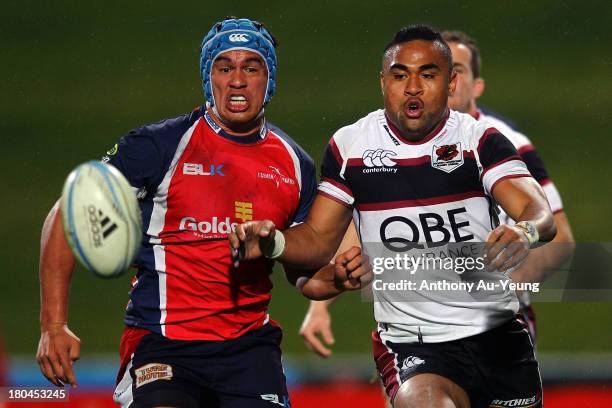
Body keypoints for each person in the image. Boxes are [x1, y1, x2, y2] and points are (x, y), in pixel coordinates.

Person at [230, 24, 556, 408]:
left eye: (428, 75)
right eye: (400, 75)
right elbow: (318, 241)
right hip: (412, 342)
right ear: (383, 82)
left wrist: (523, 232)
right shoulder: (352, 147)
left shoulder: (478, 141)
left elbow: (539, 213)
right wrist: (274, 242)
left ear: (451, 83)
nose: (413, 87)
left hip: (497, 336)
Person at [37, 17, 322, 408]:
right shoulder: (159, 146)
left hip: (249, 350)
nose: (237, 80)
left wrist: (332, 277)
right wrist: (53, 325)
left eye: (251, 67)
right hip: (163, 345)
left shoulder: (295, 165)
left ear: (268, 80)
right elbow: (67, 212)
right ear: (209, 79)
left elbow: (303, 269)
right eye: (224, 68)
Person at [299, 30, 575, 356]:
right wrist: (322, 305)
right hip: (412, 327)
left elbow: (559, 238)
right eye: (408, 73)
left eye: (435, 72)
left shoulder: (503, 142)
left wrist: (488, 294)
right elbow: (361, 236)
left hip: (494, 323)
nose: (419, 85)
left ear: (465, 83)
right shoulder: (376, 147)